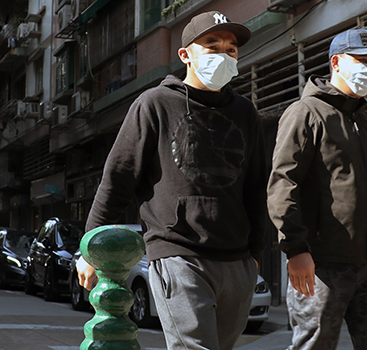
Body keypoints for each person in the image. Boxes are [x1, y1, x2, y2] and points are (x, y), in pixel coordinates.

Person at [76, 11, 267, 350]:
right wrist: (90, 250)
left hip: (237, 261)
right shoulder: (155, 104)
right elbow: (118, 177)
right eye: (211, 46)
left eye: (231, 49)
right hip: (179, 253)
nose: (223, 55)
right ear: (185, 55)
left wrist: (254, 254)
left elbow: (254, 187)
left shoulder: (245, 112)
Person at [267, 28, 367, 350]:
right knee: (315, 345)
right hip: (321, 260)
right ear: (337, 62)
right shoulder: (306, 113)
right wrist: (296, 248)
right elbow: (283, 182)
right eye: (361, 60)